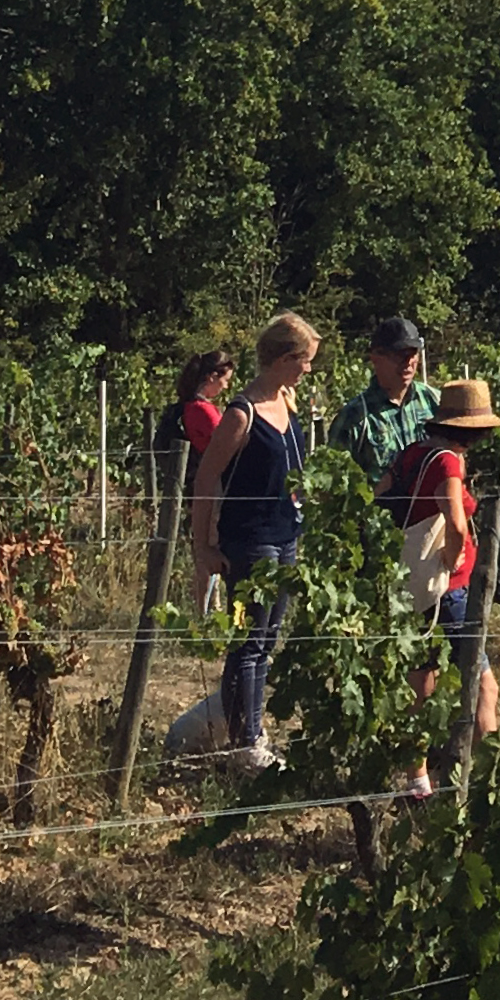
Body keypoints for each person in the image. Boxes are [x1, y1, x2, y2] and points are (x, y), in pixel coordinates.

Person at [187, 313, 321, 771]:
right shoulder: (241, 414)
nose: (308, 370)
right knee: (249, 640)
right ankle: (246, 744)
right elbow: (205, 479)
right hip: (251, 542)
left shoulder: (287, 401)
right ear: (285, 358)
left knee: (266, 640)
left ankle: (246, 731)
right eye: (305, 361)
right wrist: (202, 547)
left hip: (286, 536)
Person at [377, 376, 500, 765]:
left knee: (420, 688)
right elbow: (456, 520)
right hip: (449, 591)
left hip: (413, 588)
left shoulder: (411, 453)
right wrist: (454, 557)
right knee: (484, 686)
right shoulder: (448, 461)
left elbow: (380, 496)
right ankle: (486, 777)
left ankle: (419, 779)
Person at [331, 317, 436, 481]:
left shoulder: (434, 401)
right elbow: (335, 479)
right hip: (381, 506)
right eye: (399, 355)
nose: (408, 362)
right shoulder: (355, 417)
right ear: (375, 357)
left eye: (413, 354)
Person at [174, 348, 233, 456]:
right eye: (226, 380)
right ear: (213, 377)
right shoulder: (201, 409)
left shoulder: (191, 405)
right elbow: (226, 442)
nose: (226, 386)